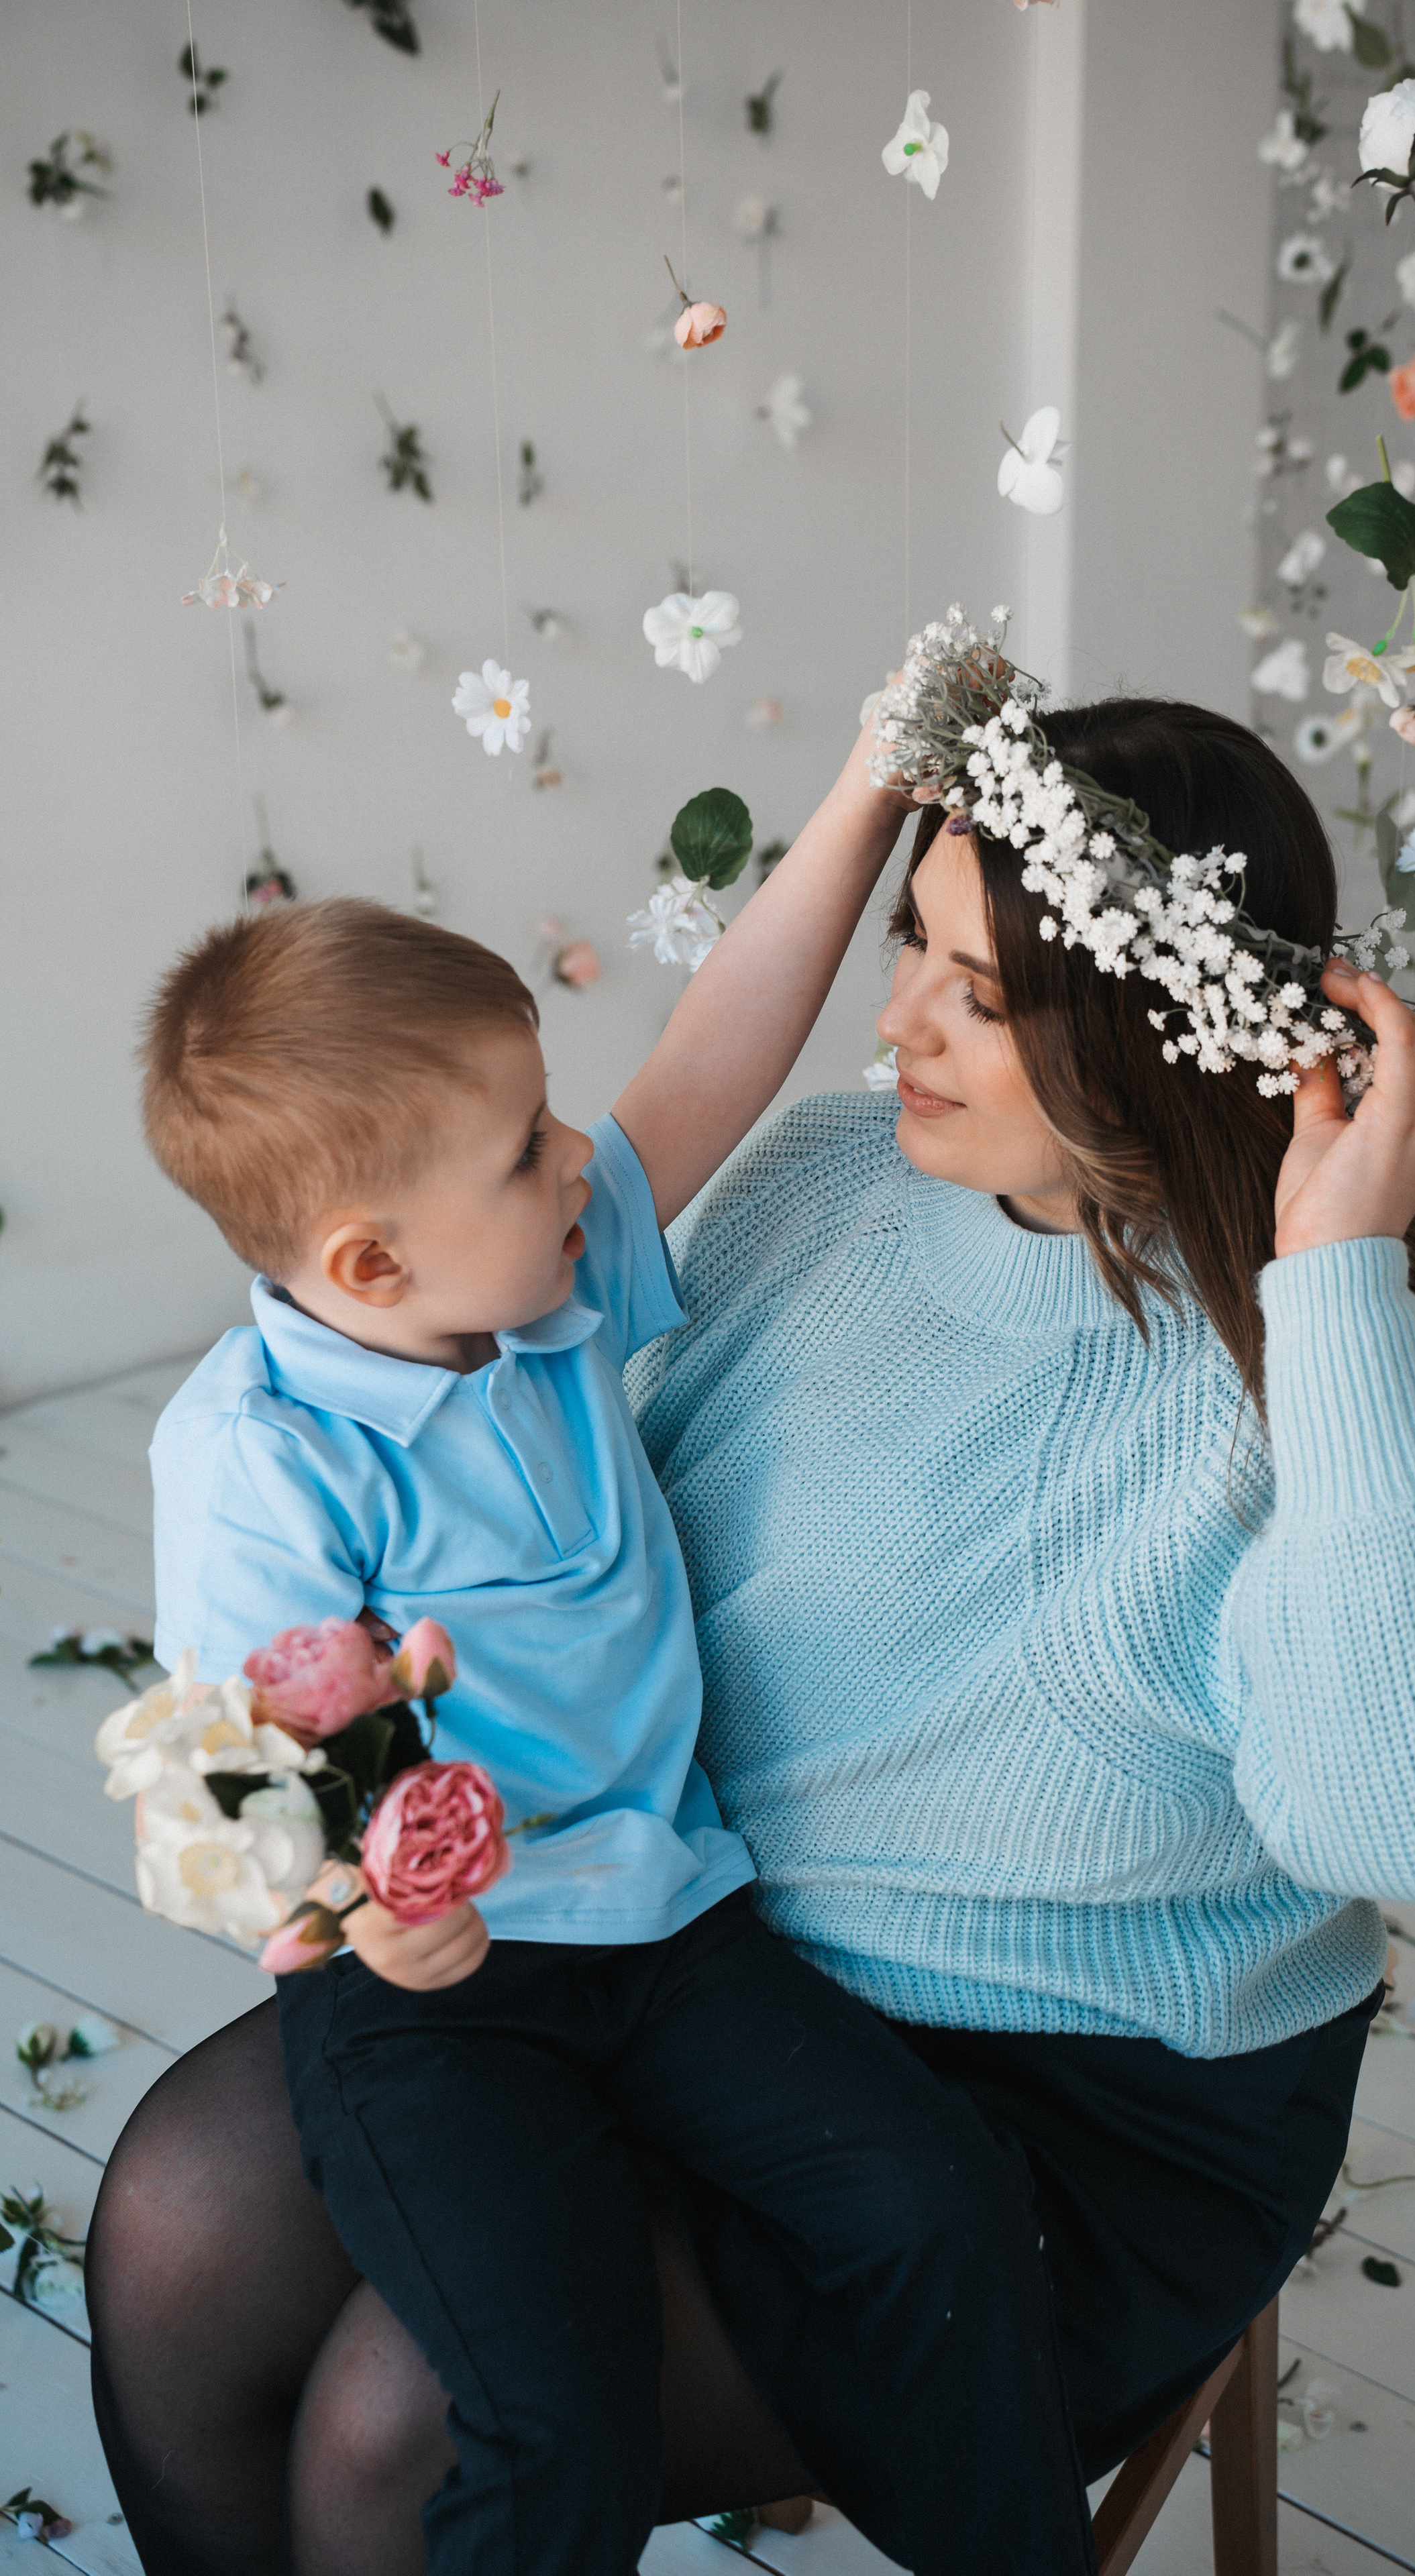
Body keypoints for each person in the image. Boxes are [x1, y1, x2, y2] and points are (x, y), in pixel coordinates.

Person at [89, 672, 1415, 2576]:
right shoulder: (839, 1180)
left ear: (1153, 1032)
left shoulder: (1320, 1366)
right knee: (177, 2229)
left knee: (393, 2425)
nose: (898, 1020)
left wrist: (1338, 1277)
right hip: (675, 1941)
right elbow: (539, 1549)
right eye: (911, 944)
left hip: (1063, 2111)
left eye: (978, 994)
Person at [113, 723, 1100, 2576]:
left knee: (932, 2197)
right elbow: (245, 1758)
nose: (584, 1153)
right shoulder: (255, 1453)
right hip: (439, 2005)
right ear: (371, 1266)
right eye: (527, 1147)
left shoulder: (542, 1297)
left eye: (551, 1117)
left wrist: (875, 785)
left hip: (672, 1918)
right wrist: (365, 1895)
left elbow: (722, 1040)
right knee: (548, 2397)